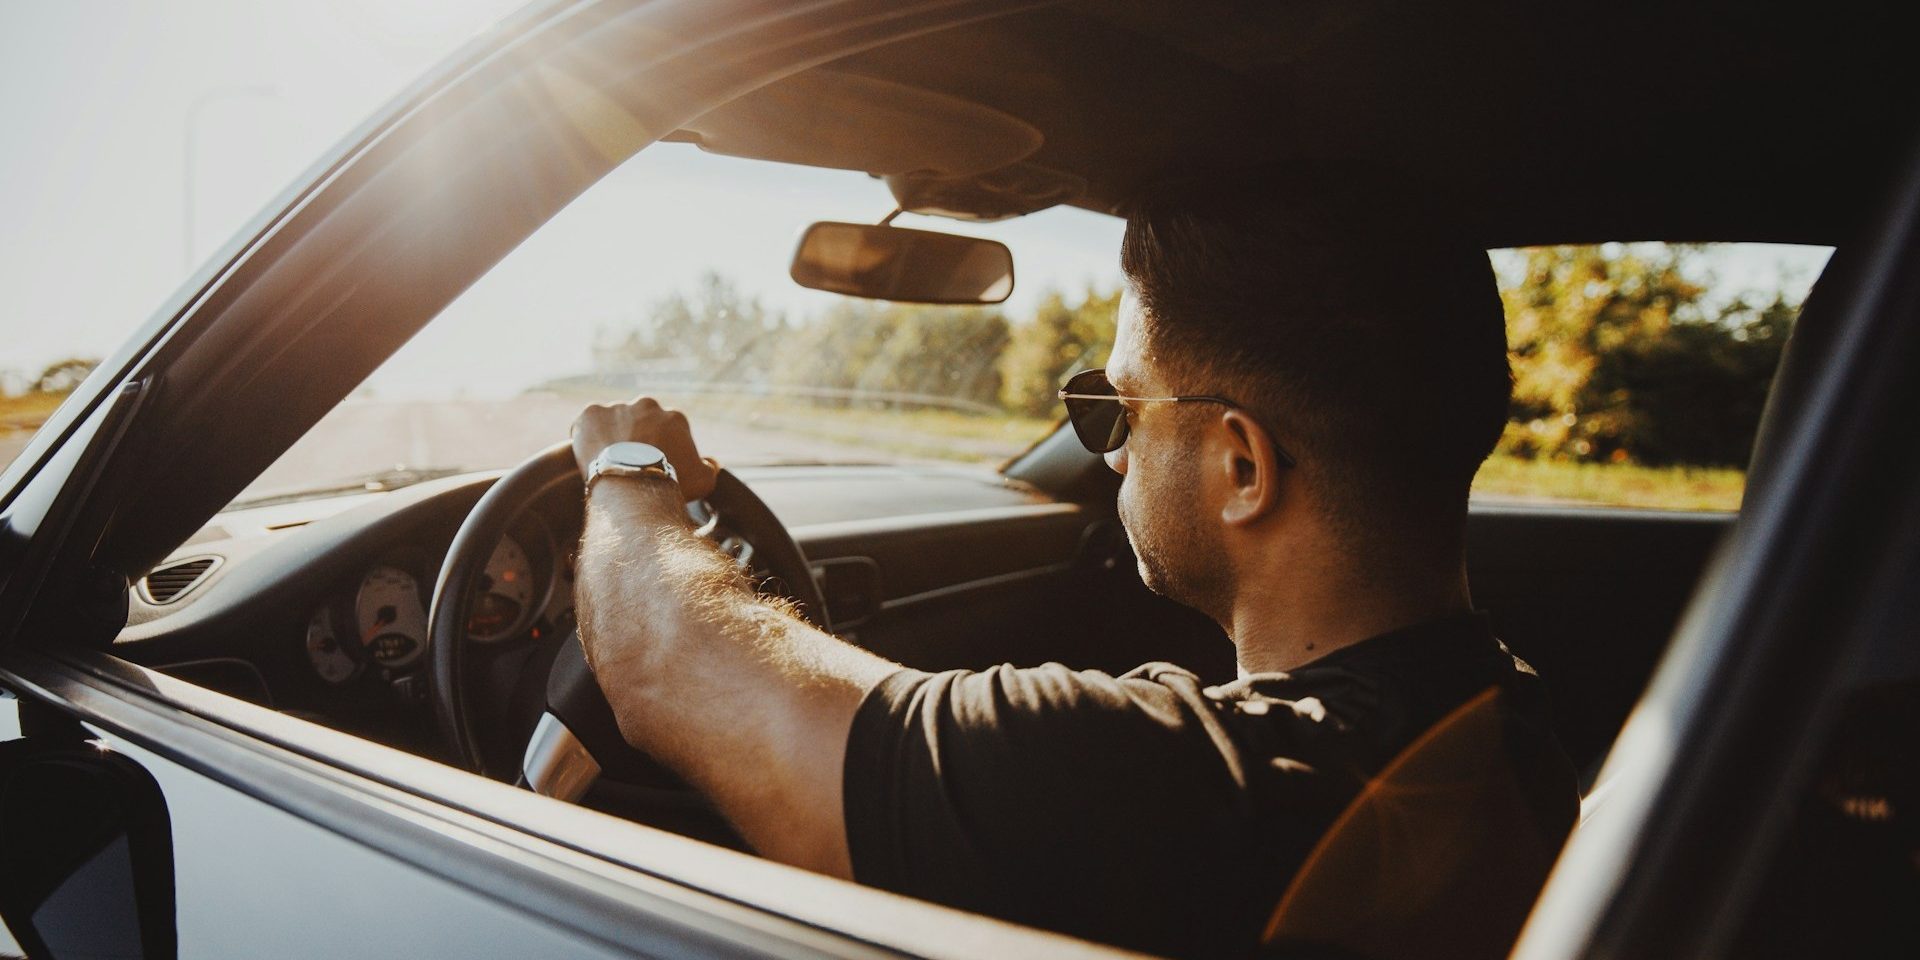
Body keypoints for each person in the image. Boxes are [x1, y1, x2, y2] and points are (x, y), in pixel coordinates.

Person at [567, 170, 1579, 958]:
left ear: (1240, 465)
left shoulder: (1158, 785)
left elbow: (664, 663)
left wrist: (628, 468)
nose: (1117, 450)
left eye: (1117, 408)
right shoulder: (1510, 725)